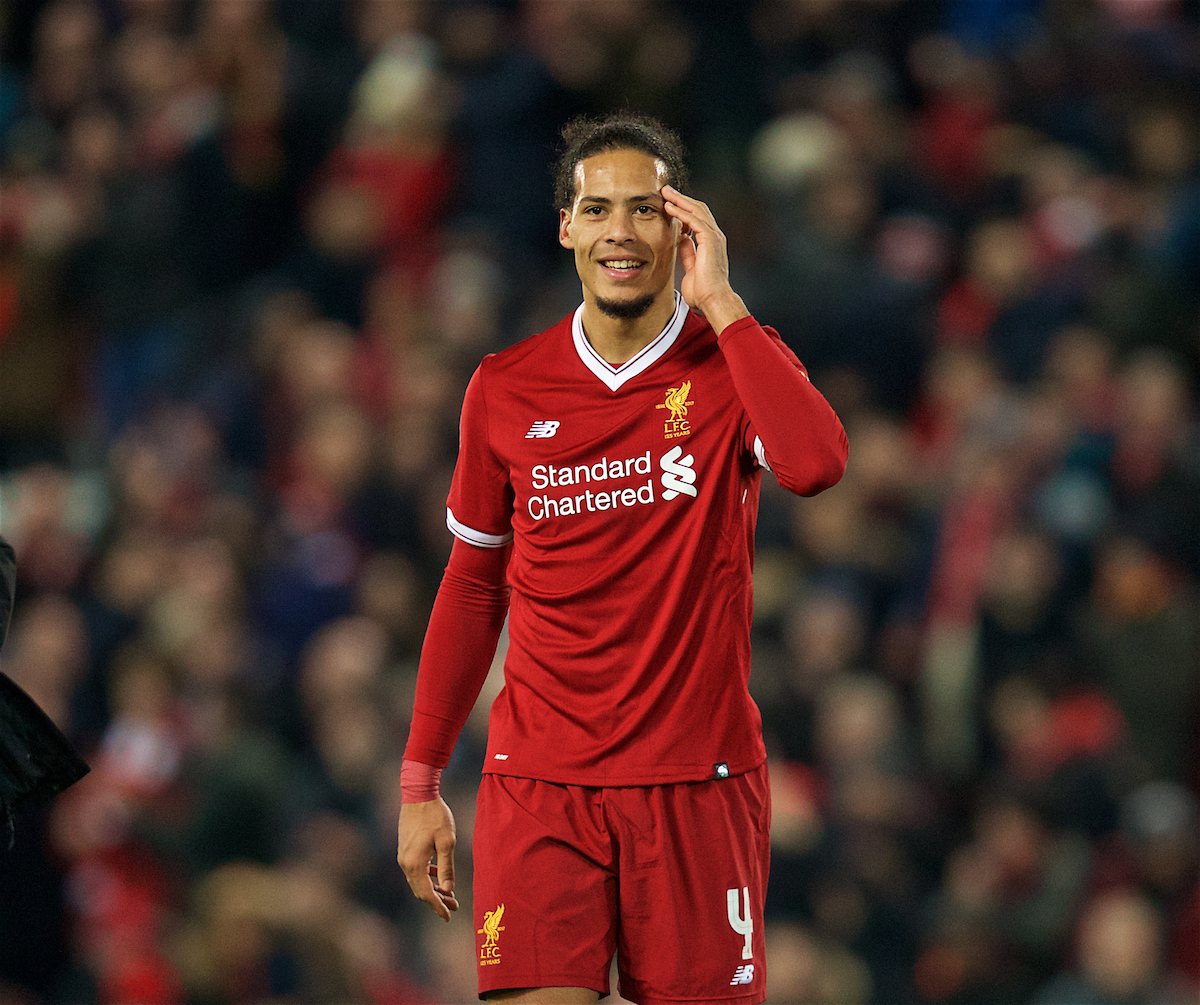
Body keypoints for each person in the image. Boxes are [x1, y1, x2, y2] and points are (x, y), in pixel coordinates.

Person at [396, 112, 848, 1004]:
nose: (619, 232)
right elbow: (472, 584)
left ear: (682, 227)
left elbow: (817, 464)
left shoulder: (729, 364)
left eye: (645, 211)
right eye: (597, 209)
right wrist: (420, 780)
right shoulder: (505, 387)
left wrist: (722, 302)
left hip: (696, 783)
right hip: (540, 782)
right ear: (566, 225)